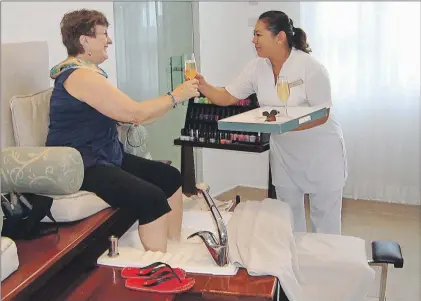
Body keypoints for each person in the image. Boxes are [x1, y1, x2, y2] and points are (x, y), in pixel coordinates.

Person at [46, 9, 200, 252]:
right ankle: (158, 265)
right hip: (81, 166)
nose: (109, 40)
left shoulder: (88, 74)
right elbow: (136, 113)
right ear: (85, 40)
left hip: (105, 156)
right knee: (151, 197)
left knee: (169, 177)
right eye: (104, 34)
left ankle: (175, 249)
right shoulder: (80, 77)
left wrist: (172, 100)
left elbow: (137, 117)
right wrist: (176, 96)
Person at [195, 10, 347, 235]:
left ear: (280, 37)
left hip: (321, 153)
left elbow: (322, 114)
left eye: (258, 35)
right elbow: (226, 96)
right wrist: (202, 84)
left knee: (325, 222)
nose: (253, 40)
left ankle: (325, 266)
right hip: (285, 155)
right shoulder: (256, 67)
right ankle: (293, 267)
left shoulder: (310, 68)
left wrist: (281, 126)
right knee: (288, 219)